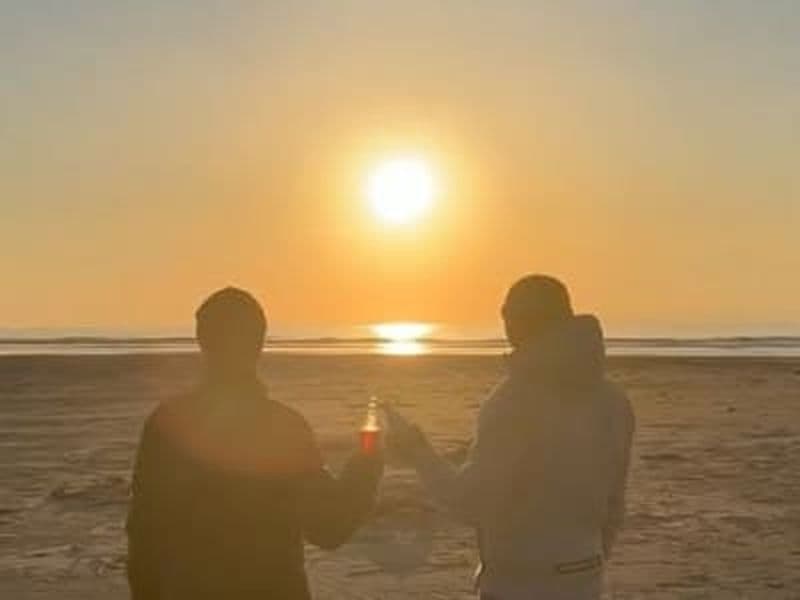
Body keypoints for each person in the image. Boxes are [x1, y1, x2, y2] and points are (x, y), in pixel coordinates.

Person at [385, 275, 634, 599]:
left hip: (523, 577)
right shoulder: (613, 400)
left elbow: (470, 502)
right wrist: (590, 555)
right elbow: (614, 501)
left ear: (514, 321)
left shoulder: (514, 400)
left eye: (507, 315)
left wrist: (419, 452)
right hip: (585, 569)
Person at [126, 287, 382, 600]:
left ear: (202, 340)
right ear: (259, 344)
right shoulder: (282, 428)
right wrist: (367, 462)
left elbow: (143, 537)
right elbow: (329, 527)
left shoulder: (166, 425)